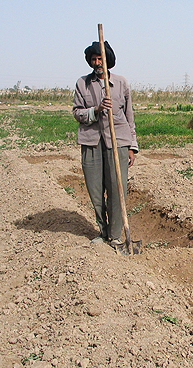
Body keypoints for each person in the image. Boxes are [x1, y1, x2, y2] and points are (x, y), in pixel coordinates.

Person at [73, 40, 138, 254]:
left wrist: (132, 147)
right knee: (95, 190)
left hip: (117, 142)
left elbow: (130, 118)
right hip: (91, 142)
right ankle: (102, 231)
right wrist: (96, 109)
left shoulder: (121, 83)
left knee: (117, 190)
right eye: (93, 59)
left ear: (107, 60)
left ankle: (115, 235)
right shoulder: (82, 84)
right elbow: (77, 113)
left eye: (100, 58)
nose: (96, 62)